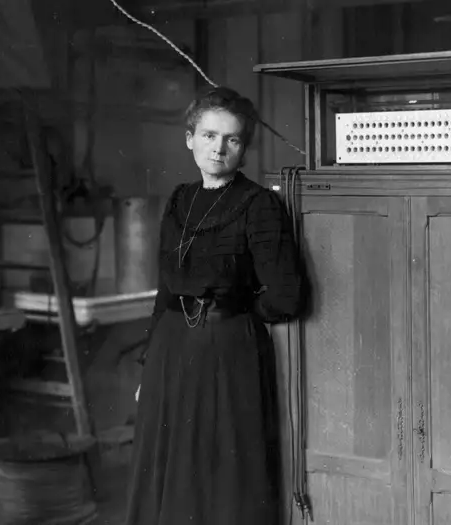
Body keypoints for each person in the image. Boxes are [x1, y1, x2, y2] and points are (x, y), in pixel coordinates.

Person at [125, 86, 305, 525]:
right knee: (168, 471)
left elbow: (287, 295)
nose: (218, 148)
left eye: (232, 139)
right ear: (190, 139)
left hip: (227, 352)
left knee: (220, 474)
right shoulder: (179, 200)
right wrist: (149, 364)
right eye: (208, 136)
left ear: (244, 149)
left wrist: (235, 310)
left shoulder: (259, 205)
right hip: (171, 352)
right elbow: (166, 290)